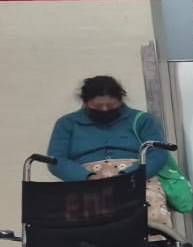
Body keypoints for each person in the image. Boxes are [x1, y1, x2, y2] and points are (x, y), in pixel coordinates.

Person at [46, 76, 174, 226]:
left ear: (120, 100)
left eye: (111, 105)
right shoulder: (67, 123)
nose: (105, 110)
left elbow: (158, 153)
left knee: (150, 218)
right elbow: (56, 160)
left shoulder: (142, 120)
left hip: (137, 180)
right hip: (87, 184)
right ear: (85, 102)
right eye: (98, 107)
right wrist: (88, 177)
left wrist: (129, 175)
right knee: (83, 224)